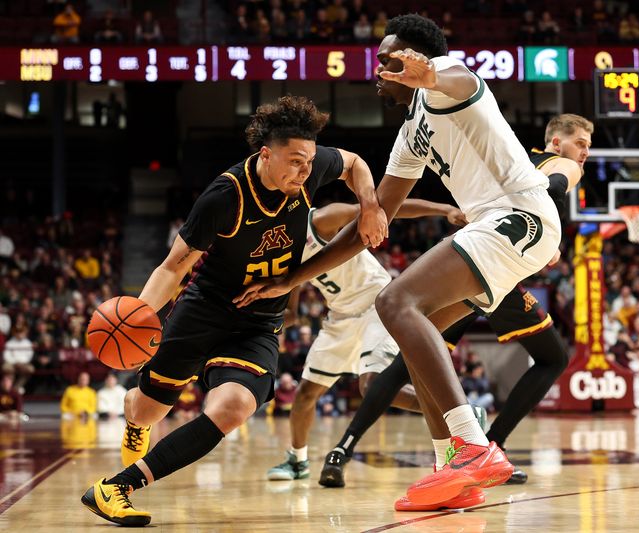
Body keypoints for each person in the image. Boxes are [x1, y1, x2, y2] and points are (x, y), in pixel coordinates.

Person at [235, 15, 576, 509]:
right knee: (418, 338)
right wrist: (290, 279)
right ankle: (450, 469)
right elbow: (369, 225)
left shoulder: (448, 83)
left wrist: (430, 73)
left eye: (390, 60)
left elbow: (457, 78)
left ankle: (472, 446)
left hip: (517, 216)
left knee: (394, 300)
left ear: (419, 59)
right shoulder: (411, 131)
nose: (380, 69)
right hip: (506, 229)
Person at [80, 96, 387, 527]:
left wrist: (370, 204)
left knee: (234, 407)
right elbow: (173, 267)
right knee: (146, 410)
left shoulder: (310, 167)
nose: (305, 171)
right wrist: (138, 315)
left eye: (310, 162)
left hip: (258, 321)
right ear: (265, 153)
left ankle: (116, 488)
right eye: (295, 162)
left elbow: (354, 164)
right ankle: (137, 411)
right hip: (204, 310)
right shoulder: (224, 197)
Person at [317, 113, 590, 497]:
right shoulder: (551, 162)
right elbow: (561, 180)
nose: (585, 154)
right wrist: (552, 209)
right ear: (557, 142)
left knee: (410, 345)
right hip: (498, 261)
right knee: (552, 358)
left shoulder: (508, 161)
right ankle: (483, 447)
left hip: (483, 251)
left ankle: (384, 453)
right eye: (580, 144)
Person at [267, 197, 466, 481]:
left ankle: (461, 415)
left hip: (378, 304)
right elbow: (292, 313)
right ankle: (297, 461)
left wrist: (443, 209)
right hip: (340, 316)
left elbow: (385, 209)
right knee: (305, 394)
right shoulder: (284, 252)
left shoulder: (322, 219)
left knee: (371, 385)